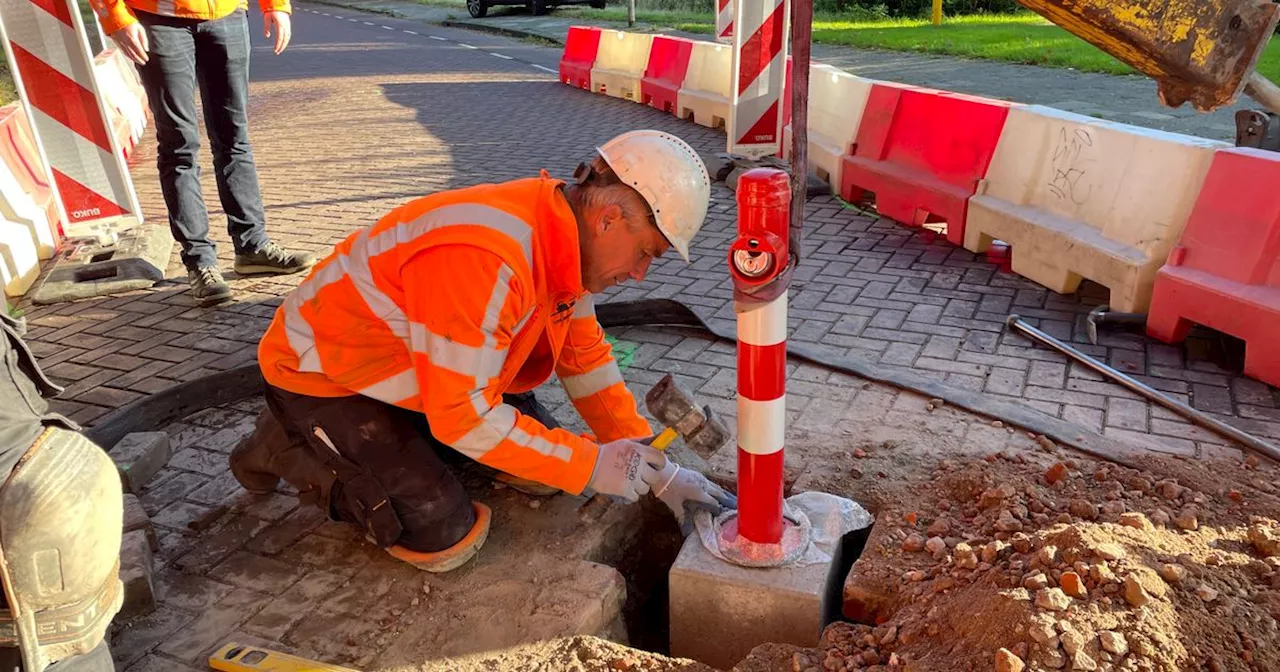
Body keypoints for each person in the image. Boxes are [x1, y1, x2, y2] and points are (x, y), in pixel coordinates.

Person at [231, 130, 734, 572]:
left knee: (545, 475)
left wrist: (654, 462)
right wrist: (588, 464)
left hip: (431, 367)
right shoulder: (488, 258)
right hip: (328, 373)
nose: (641, 274)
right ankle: (280, 443)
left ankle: (408, 438)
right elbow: (465, 419)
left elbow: (584, 359)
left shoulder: (564, 242)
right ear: (608, 219)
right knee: (439, 530)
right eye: (646, 252)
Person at [91, 0, 316, 306]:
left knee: (235, 137)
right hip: (158, 19)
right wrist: (115, 16)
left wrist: (275, 4)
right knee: (179, 143)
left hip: (228, 14)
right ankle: (200, 260)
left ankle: (252, 246)